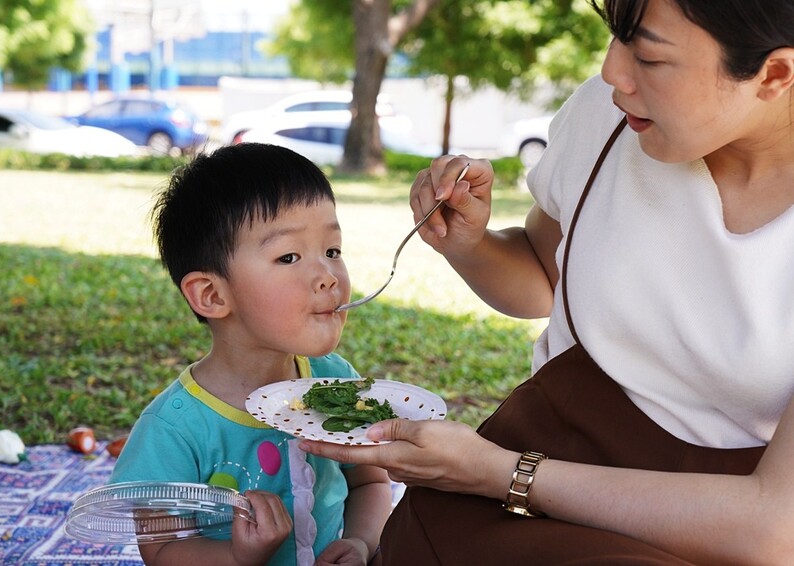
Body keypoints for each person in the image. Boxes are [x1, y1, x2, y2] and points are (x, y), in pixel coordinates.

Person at [299, 0, 794, 563]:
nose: (612, 72)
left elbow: (776, 529)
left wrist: (497, 473)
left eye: (649, 56)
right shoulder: (609, 120)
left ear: (775, 74)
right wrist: (470, 244)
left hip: (702, 529)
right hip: (515, 476)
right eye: (617, 36)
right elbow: (542, 274)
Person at [110, 142, 391, 566]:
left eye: (332, 251)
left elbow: (370, 481)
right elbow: (161, 549)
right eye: (290, 256)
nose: (328, 276)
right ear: (211, 294)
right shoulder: (176, 427)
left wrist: (360, 542)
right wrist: (238, 556)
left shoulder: (334, 380)